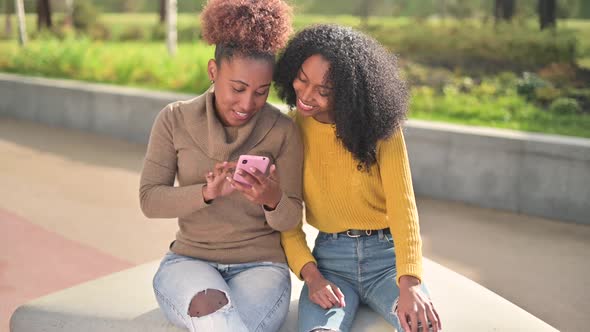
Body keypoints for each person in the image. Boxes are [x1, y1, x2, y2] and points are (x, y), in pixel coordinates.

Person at [139, 1, 302, 331]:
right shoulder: (174, 119)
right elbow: (150, 200)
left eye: (261, 92)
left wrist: (272, 198)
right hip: (189, 260)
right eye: (237, 88)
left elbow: (291, 217)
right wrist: (206, 193)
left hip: (262, 266)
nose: (247, 104)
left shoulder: (283, 130)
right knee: (214, 313)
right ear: (213, 71)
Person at [274, 24, 441, 332]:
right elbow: (286, 219)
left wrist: (410, 282)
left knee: (423, 328)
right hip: (330, 264)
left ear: (350, 94)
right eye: (302, 79)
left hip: (386, 260)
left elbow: (403, 207)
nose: (306, 96)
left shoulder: (380, 129)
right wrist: (312, 277)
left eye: (323, 91)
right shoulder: (289, 130)